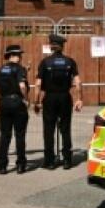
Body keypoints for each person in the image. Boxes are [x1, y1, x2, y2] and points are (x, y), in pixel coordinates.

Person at [33, 33, 82, 169]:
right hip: (65, 97)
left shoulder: (45, 62)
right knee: (65, 129)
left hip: (49, 98)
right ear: (62, 46)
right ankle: (67, 160)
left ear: (51, 46)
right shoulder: (70, 61)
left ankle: (49, 161)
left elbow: (38, 84)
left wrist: (36, 102)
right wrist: (79, 99)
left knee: (49, 130)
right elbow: (78, 81)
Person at [0, 44, 30, 174]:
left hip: (4, 103)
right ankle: (20, 165)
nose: (20, 57)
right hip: (17, 103)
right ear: (14, 55)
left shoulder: (1, 70)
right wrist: (25, 99)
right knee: (20, 135)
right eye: (19, 55)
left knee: (5, 135)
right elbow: (22, 86)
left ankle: (2, 166)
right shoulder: (19, 69)